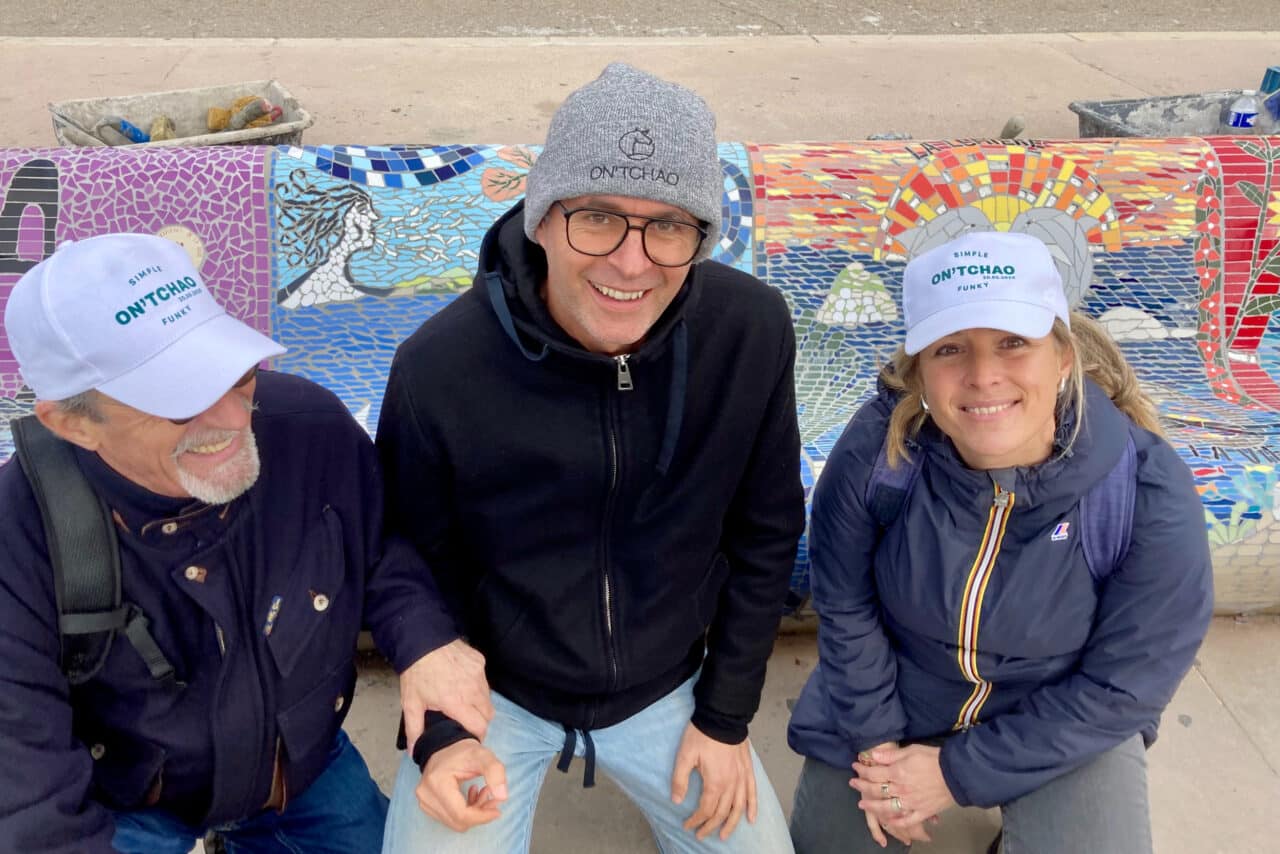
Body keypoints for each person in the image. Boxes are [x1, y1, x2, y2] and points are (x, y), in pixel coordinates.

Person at [376, 62, 805, 852]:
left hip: (675, 686)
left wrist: (726, 715)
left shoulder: (750, 332)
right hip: (493, 694)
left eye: (670, 225)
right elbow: (405, 551)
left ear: (702, 237)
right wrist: (442, 735)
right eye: (598, 218)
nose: (633, 262)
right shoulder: (440, 365)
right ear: (541, 218)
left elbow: (768, 528)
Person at [0, 233, 493, 853]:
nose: (235, 421)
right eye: (180, 401)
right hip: (119, 801)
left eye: (234, 373)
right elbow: (28, 793)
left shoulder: (308, 428)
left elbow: (378, 548)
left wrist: (429, 650)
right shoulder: (16, 535)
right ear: (73, 423)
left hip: (300, 769)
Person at [786, 230, 1213, 854]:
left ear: (1063, 356)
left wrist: (952, 773)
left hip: (1057, 711)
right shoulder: (880, 456)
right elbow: (846, 605)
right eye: (951, 348)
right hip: (899, 690)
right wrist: (878, 746)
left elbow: (1125, 685)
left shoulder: (1145, 490)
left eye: (1013, 343)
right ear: (919, 372)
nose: (984, 376)